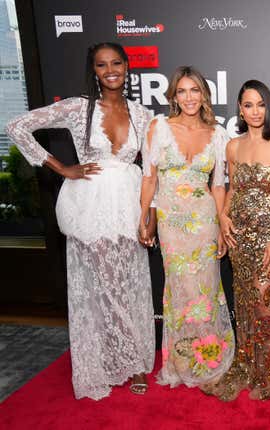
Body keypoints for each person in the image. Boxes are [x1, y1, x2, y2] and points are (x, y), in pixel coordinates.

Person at [5, 42, 155, 400]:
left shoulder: (142, 113)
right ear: (94, 71)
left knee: (130, 283)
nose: (110, 70)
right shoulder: (78, 108)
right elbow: (18, 125)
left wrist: (148, 215)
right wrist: (60, 167)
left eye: (116, 62)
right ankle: (116, 363)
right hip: (91, 207)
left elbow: (150, 169)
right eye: (102, 65)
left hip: (129, 206)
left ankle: (128, 358)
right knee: (104, 285)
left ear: (127, 66)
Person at [201, 80, 270, 401]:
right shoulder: (233, 146)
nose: (254, 111)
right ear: (240, 109)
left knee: (263, 301)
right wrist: (223, 221)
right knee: (243, 302)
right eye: (247, 105)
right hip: (239, 235)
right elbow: (232, 190)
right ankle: (247, 364)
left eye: (260, 104)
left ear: (268, 107)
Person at [140, 66, 234, 389]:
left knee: (206, 288)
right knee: (180, 290)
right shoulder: (159, 127)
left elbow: (219, 186)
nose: (189, 97)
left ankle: (208, 355)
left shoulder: (218, 134)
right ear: (174, 96)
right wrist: (144, 216)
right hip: (171, 221)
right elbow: (150, 177)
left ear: (204, 95)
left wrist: (222, 226)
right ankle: (182, 358)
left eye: (195, 91)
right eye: (182, 91)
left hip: (205, 219)